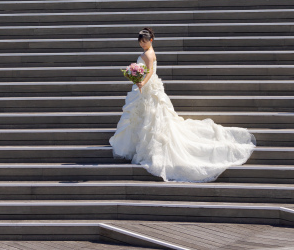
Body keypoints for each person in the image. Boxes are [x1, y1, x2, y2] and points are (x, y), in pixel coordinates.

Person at [109, 27, 256, 182]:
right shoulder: (148, 52)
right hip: (148, 88)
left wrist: (142, 82)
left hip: (148, 87)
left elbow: (150, 71)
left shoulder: (148, 53)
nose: (142, 44)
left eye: (144, 41)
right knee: (146, 117)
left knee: (151, 118)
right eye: (140, 42)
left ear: (151, 40)